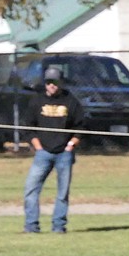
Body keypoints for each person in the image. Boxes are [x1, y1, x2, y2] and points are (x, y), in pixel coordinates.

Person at [22, 66, 84, 234]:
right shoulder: (36, 101)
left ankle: (59, 225)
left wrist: (71, 144)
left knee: (62, 192)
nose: (52, 86)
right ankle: (31, 225)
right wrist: (38, 146)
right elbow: (28, 127)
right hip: (43, 153)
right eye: (49, 82)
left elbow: (81, 126)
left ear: (60, 83)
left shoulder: (71, 101)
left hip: (64, 153)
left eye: (55, 82)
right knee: (31, 189)